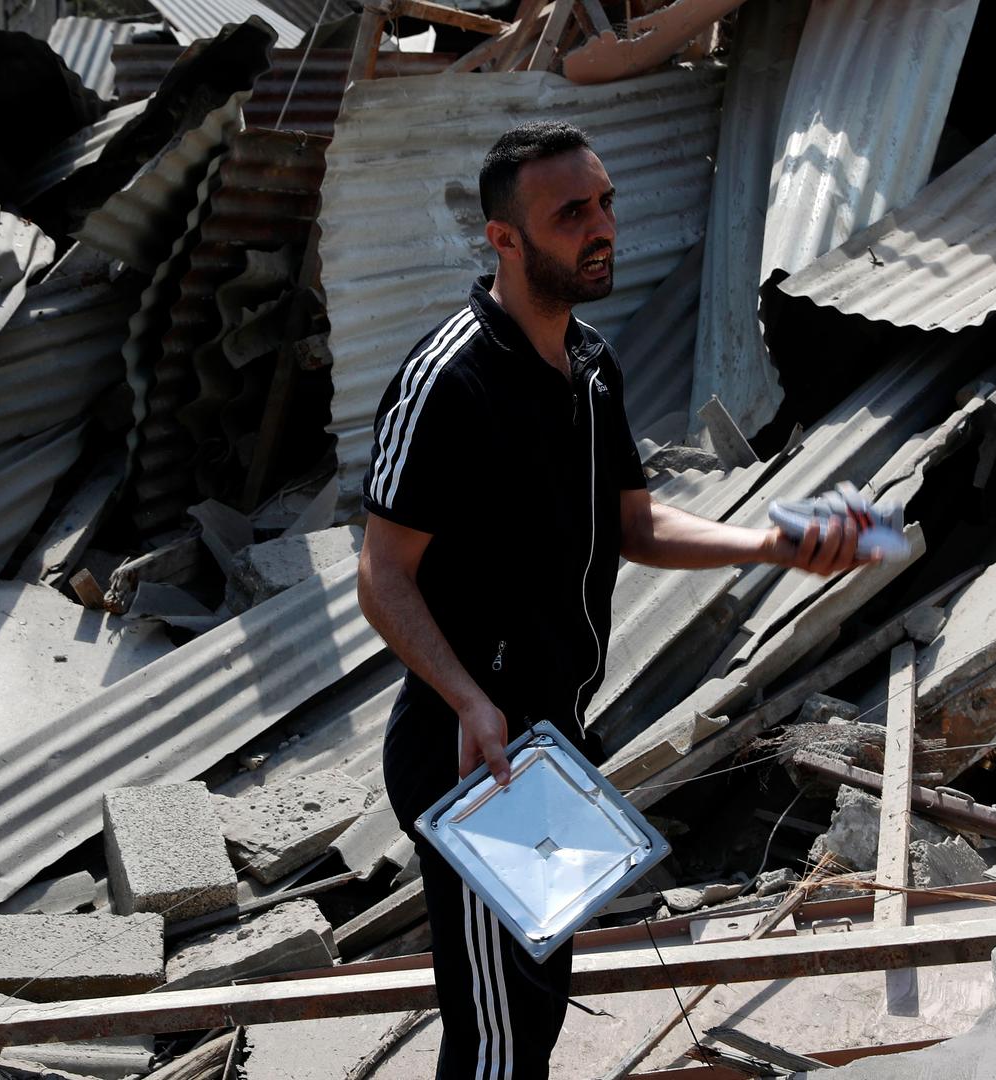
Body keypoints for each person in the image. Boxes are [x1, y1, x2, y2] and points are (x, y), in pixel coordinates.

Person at [356, 121, 873, 1080]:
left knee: (536, 1002)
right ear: (503, 239)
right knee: (498, 1030)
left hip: (550, 736)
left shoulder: (591, 365)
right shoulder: (450, 382)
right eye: (570, 213)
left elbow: (634, 525)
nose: (602, 227)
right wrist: (470, 698)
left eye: (605, 202)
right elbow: (382, 575)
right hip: (472, 751)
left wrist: (767, 542)